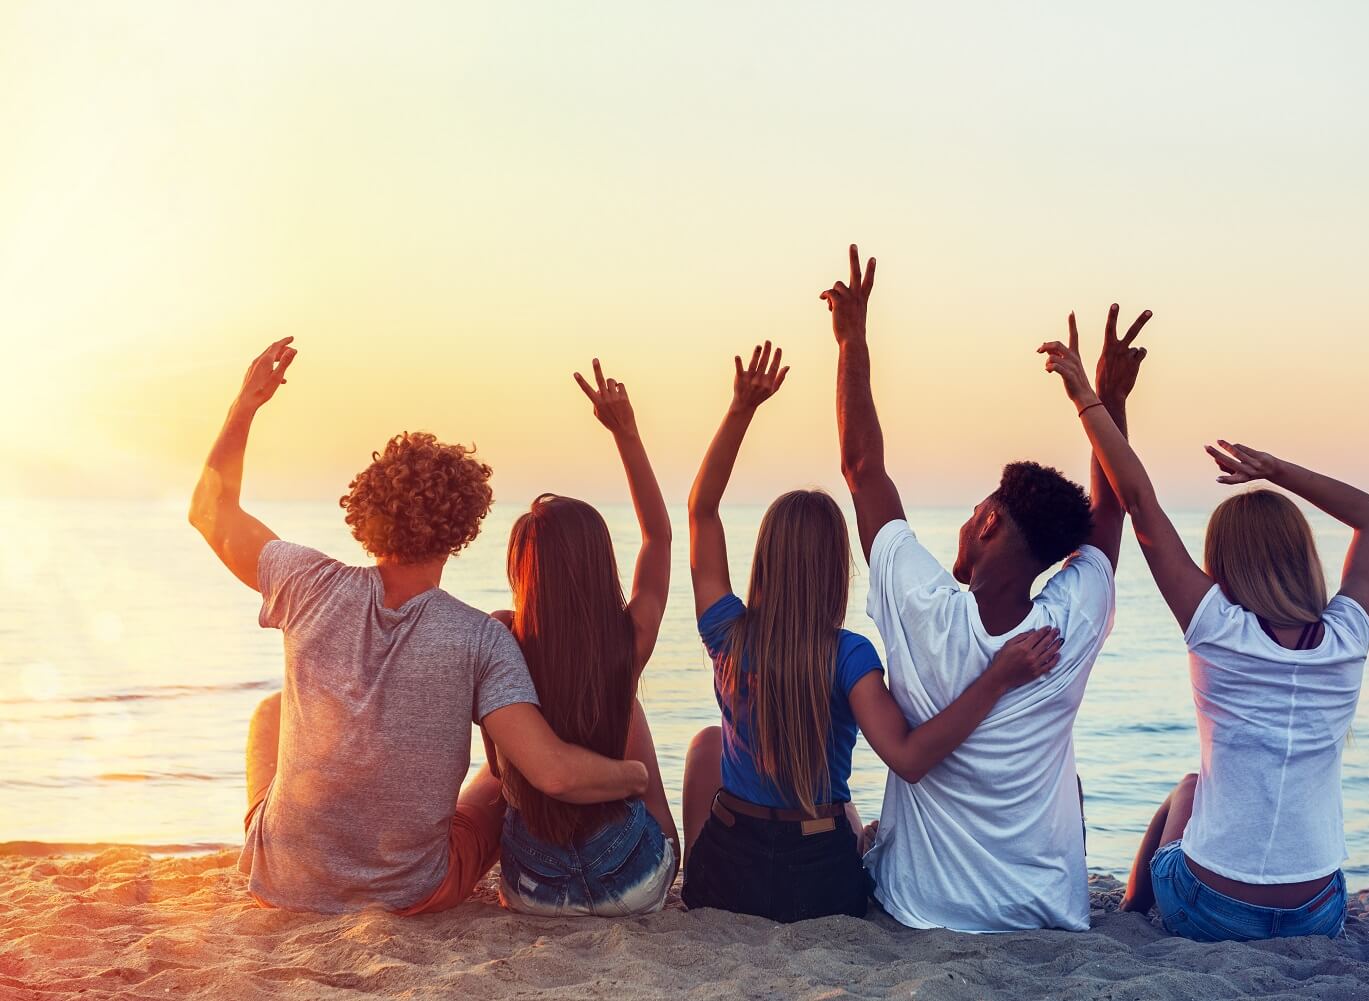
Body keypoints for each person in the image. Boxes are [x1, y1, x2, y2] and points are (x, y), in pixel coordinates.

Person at [188, 338, 648, 914]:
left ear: (367, 511)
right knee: (495, 780)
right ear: (464, 526)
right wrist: (632, 776)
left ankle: (284, 848)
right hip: (410, 893)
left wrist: (245, 405)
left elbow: (209, 510)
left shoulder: (305, 582)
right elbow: (552, 775)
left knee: (268, 714)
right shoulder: (481, 639)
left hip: (285, 881)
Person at [679, 341, 1063, 924]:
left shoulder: (726, 632)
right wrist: (997, 676)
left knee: (706, 745)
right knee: (851, 817)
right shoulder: (848, 656)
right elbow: (909, 758)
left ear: (765, 557)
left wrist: (740, 410)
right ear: (837, 567)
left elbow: (701, 510)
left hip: (728, 871)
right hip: (816, 879)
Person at [826, 245, 1150, 932]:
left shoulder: (920, 604)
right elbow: (1112, 508)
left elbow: (861, 467)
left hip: (922, 911)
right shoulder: (1071, 618)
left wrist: (852, 339)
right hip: (1042, 913)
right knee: (1072, 781)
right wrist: (1109, 397)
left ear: (990, 519)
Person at [1037, 327, 1369, 943]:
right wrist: (1274, 471)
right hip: (1318, 916)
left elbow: (1140, 505)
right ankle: (1133, 906)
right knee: (1202, 791)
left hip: (1208, 908)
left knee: (1190, 788)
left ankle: (1128, 909)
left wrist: (1089, 400)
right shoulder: (1346, 639)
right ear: (1303, 555)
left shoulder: (1218, 629)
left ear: (1226, 566)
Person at [487, 360, 681, 917]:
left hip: (535, 886)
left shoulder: (501, 638)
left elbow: (502, 770)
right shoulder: (629, 637)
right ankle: (668, 853)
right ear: (601, 563)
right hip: (630, 876)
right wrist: (626, 433)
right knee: (628, 701)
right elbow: (659, 537)